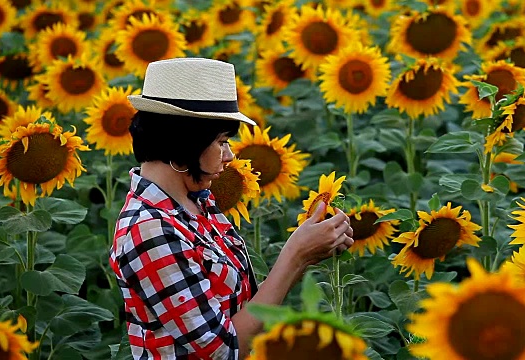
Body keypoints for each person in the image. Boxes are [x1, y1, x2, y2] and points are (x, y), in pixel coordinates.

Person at [109, 58, 354, 360]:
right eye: (222, 141)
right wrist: (294, 255)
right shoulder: (149, 230)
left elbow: (239, 306)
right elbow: (223, 350)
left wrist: (308, 252)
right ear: (183, 147)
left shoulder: (197, 202)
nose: (229, 156)